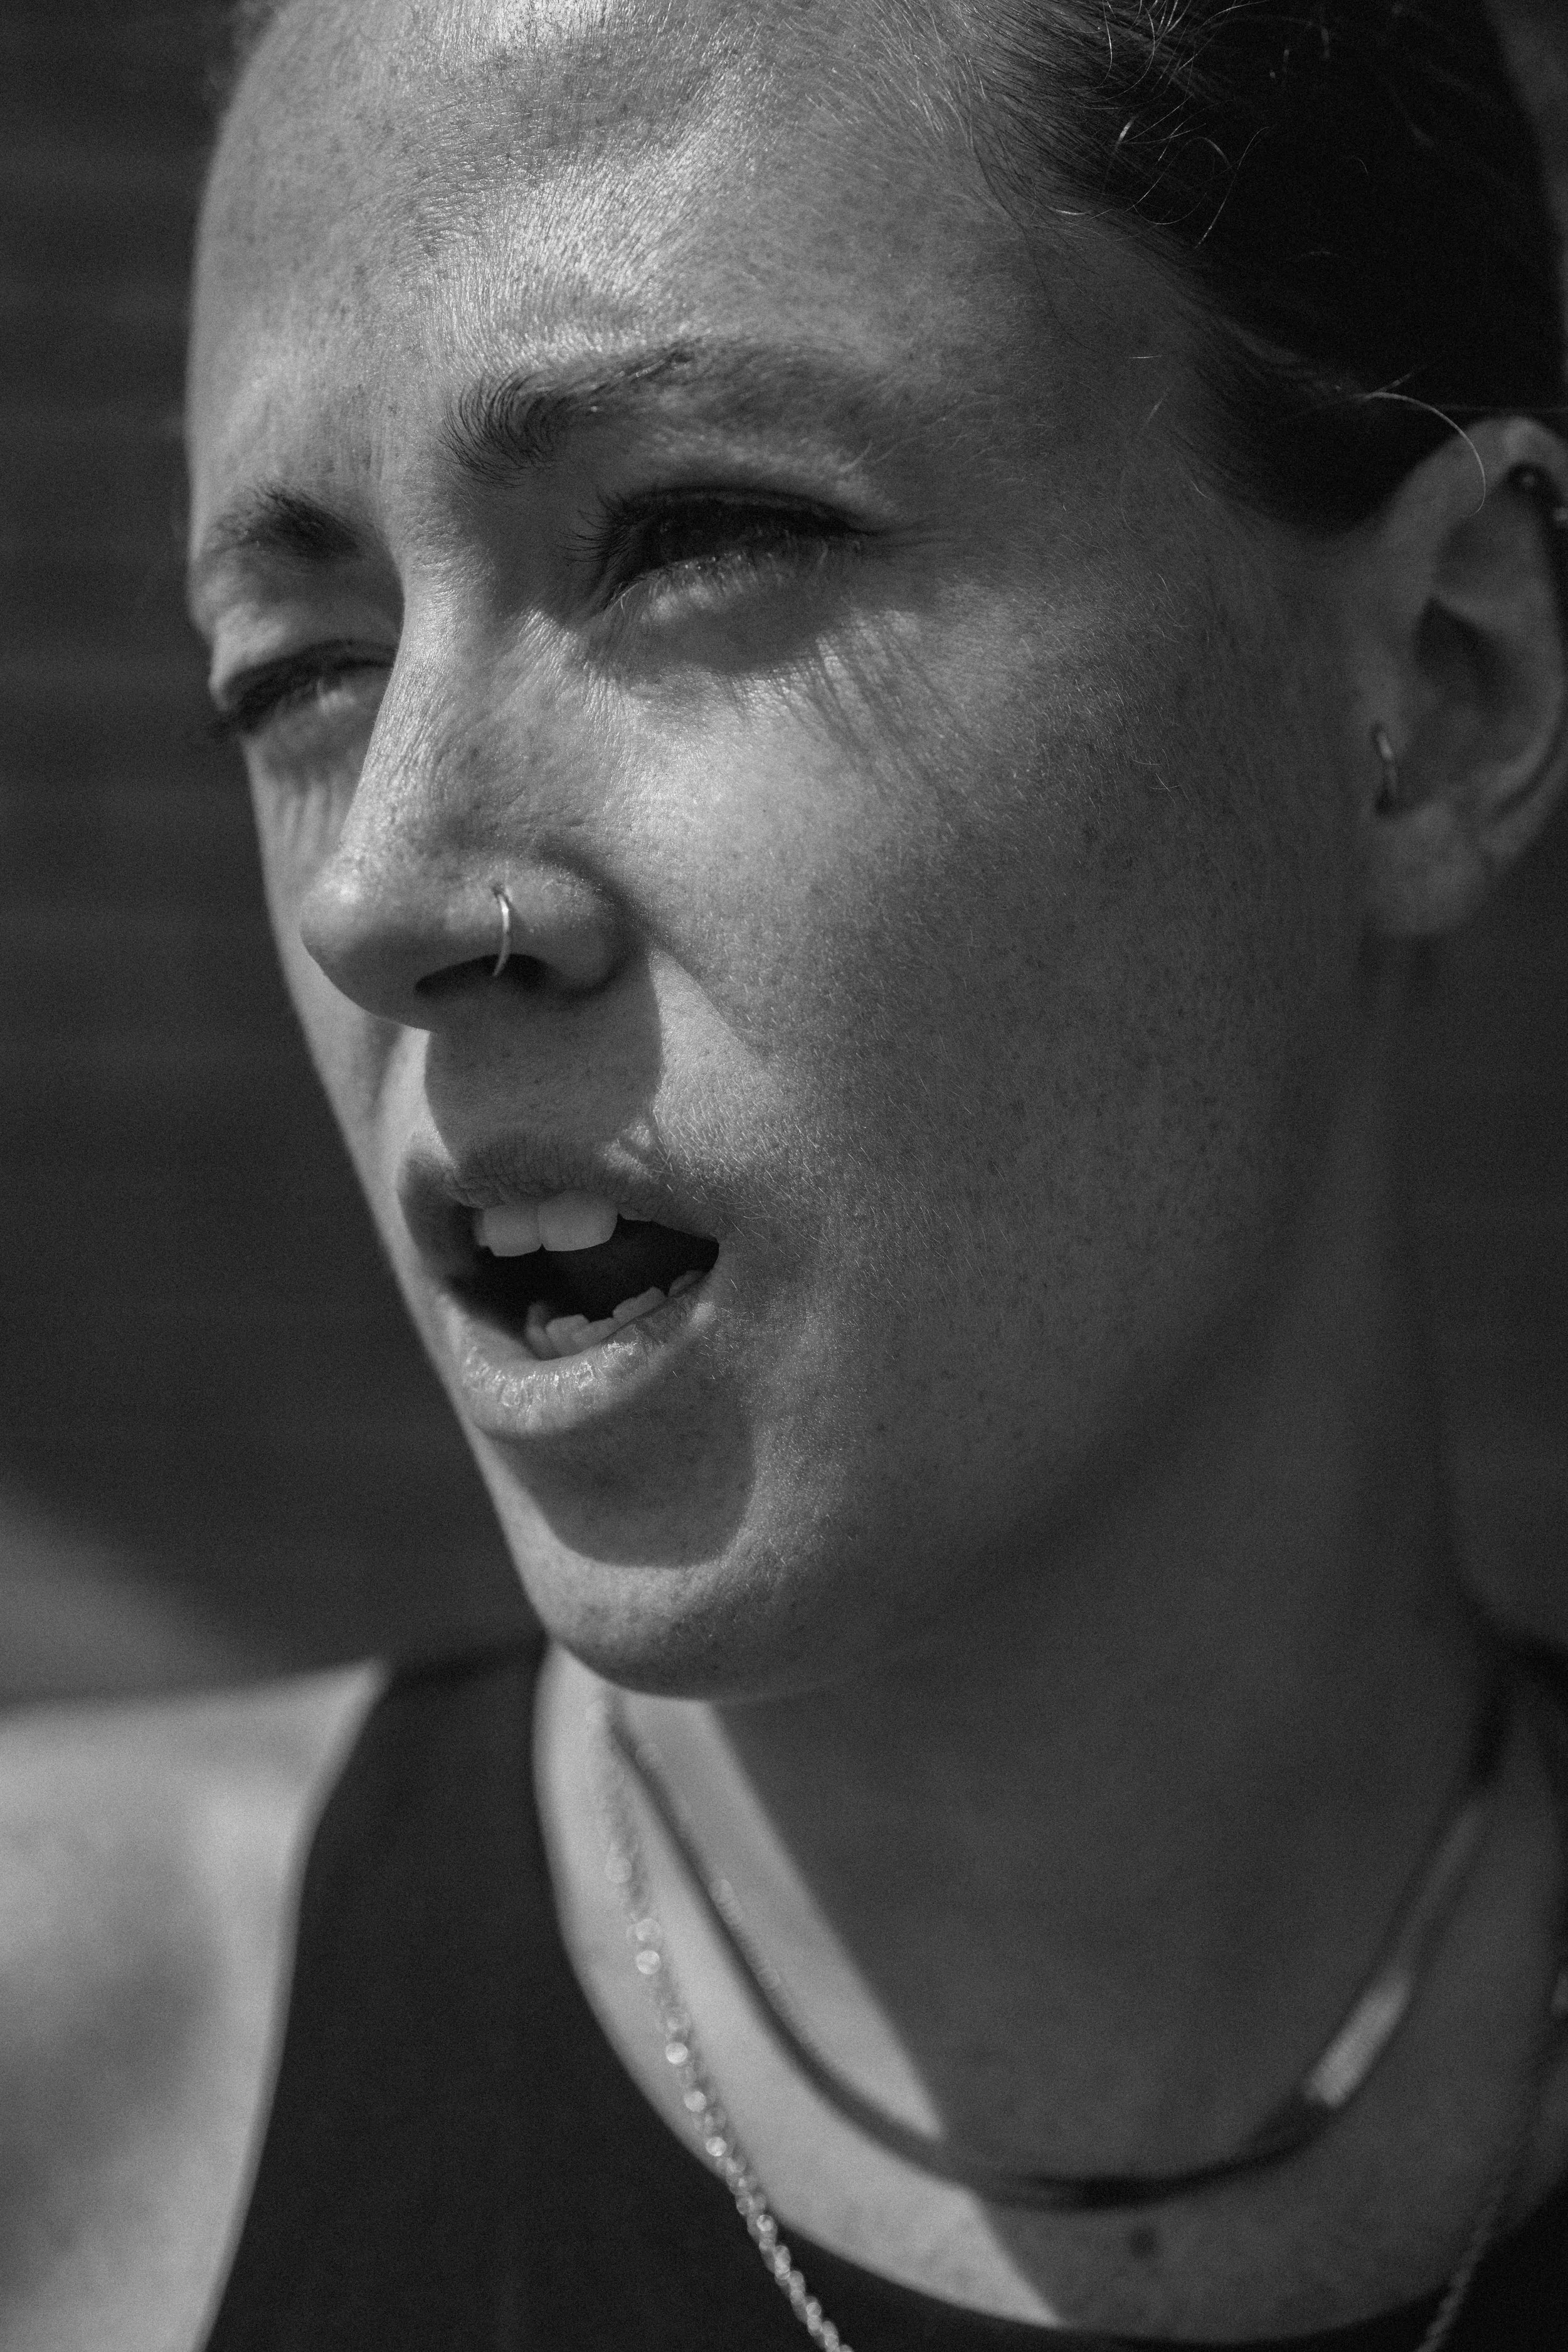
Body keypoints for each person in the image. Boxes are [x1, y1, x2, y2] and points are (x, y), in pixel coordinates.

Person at [3, 0, 1567, 2343]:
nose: (384, 892)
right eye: (295, 669)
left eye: (694, 534)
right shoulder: (55, 2101)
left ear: (1439, 687)